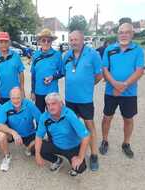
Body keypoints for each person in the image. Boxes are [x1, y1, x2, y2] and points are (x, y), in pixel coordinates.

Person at [99, 23, 145, 158]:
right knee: (107, 117)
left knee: (128, 119)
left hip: (129, 93)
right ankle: (105, 140)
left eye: (127, 32)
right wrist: (114, 84)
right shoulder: (110, 49)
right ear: (117, 34)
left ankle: (126, 143)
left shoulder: (138, 50)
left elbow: (139, 70)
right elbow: (105, 69)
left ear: (132, 34)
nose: (123, 35)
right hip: (111, 91)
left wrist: (123, 85)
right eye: (121, 32)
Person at [62, 30, 102, 171]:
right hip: (70, 99)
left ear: (82, 39)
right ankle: (76, 151)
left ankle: (94, 155)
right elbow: (62, 72)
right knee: (73, 125)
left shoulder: (93, 55)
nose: (73, 42)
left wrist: (87, 85)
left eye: (76, 39)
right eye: (71, 40)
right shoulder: (67, 55)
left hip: (85, 99)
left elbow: (99, 75)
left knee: (89, 126)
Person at [35, 93, 90, 176]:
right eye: (48, 104)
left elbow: (85, 136)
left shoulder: (69, 115)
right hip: (56, 144)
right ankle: (57, 160)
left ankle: (73, 164)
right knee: (37, 149)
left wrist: (80, 157)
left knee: (80, 167)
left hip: (72, 147)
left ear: (61, 104)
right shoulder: (44, 117)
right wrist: (37, 154)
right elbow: (38, 136)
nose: (50, 107)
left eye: (54, 103)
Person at [0, 87, 41, 171]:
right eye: (13, 98)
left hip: (29, 133)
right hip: (12, 134)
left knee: (39, 147)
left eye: (18, 98)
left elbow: (41, 120)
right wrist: (13, 132)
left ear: (22, 97)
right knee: (1, 135)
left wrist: (39, 135)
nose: (16, 101)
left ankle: (28, 148)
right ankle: (7, 156)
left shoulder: (29, 104)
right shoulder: (5, 107)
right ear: (10, 98)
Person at [30, 28, 63, 112]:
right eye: (43, 40)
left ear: (51, 42)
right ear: (39, 42)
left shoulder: (57, 55)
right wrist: (33, 91)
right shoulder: (35, 55)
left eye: (48, 41)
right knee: (39, 117)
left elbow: (62, 72)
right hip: (39, 92)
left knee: (53, 116)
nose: (46, 43)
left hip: (52, 92)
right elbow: (33, 75)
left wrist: (52, 77)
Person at [0, 32, 25, 104]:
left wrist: (22, 90)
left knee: (15, 114)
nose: (4, 44)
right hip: (0, 94)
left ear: (9, 43)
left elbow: (21, 72)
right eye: (1, 42)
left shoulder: (15, 56)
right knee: (2, 114)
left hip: (15, 94)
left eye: (6, 42)